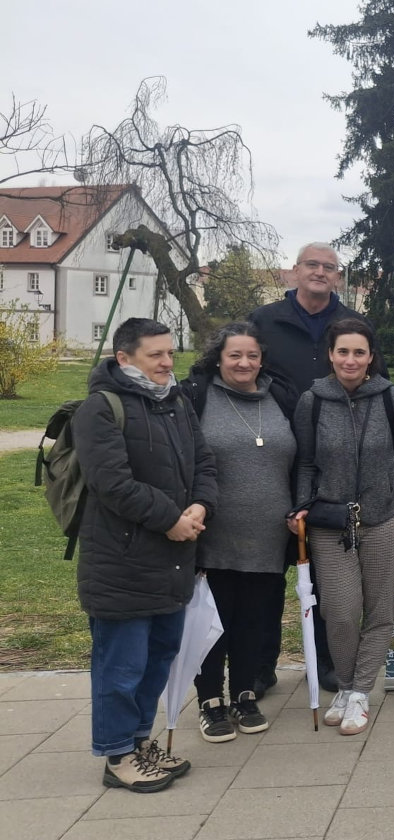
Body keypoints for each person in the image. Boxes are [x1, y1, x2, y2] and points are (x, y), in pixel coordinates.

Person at [73, 317, 217, 792]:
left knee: (157, 660)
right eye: (155, 354)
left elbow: (204, 462)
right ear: (124, 358)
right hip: (122, 563)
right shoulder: (100, 408)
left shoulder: (175, 402)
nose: (167, 362)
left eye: (170, 352)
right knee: (121, 667)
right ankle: (117, 754)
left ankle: (138, 741)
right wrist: (172, 519)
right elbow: (111, 483)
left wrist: (200, 504)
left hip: (172, 561)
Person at [249, 242, 380, 697]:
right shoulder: (264, 321)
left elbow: (374, 383)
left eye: (329, 267)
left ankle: (327, 662)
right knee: (267, 574)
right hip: (272, 458)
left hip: (331, 466)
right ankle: (259, 667)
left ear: (337, 276)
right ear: (294, 271)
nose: (320, 272)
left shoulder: (353, 323)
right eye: (312, 265)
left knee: (328, 574)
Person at [292, 318, 394, 735]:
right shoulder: (312, 401)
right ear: (331, 355)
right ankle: (345, 685)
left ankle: (360, 693)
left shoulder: (392, 398)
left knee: (379, 610)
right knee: (341, 612)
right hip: (331, 522)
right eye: (343, 351)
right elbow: (305, 463)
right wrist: (300, 507)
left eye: (359, 352)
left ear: (371, 357)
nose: (351, 360)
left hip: (387, 516)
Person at [179, 323, 300, 742]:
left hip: (269, 536)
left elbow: (300, 459)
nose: (244, 363)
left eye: (252, 355)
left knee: (254, 621)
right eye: (234, 355)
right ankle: (210, 702)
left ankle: (245, 695)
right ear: (218, 358)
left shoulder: (281, 397)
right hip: (212, 535)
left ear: (262, 360)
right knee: (213, 623)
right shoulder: (196, 397)